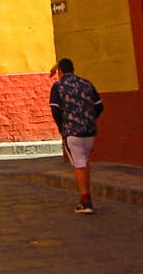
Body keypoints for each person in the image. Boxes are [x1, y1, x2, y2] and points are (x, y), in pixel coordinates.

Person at [49, 58, 104, 214]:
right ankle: (84, 198)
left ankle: (86, 201)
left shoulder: (58, 86)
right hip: (90, 131)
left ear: (60, 71)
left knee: (79, 164)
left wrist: (62, 126)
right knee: (84, 162)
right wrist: (90, 119)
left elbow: (55, 110)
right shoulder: (87, 84)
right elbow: (99, 106)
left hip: (72, 131)